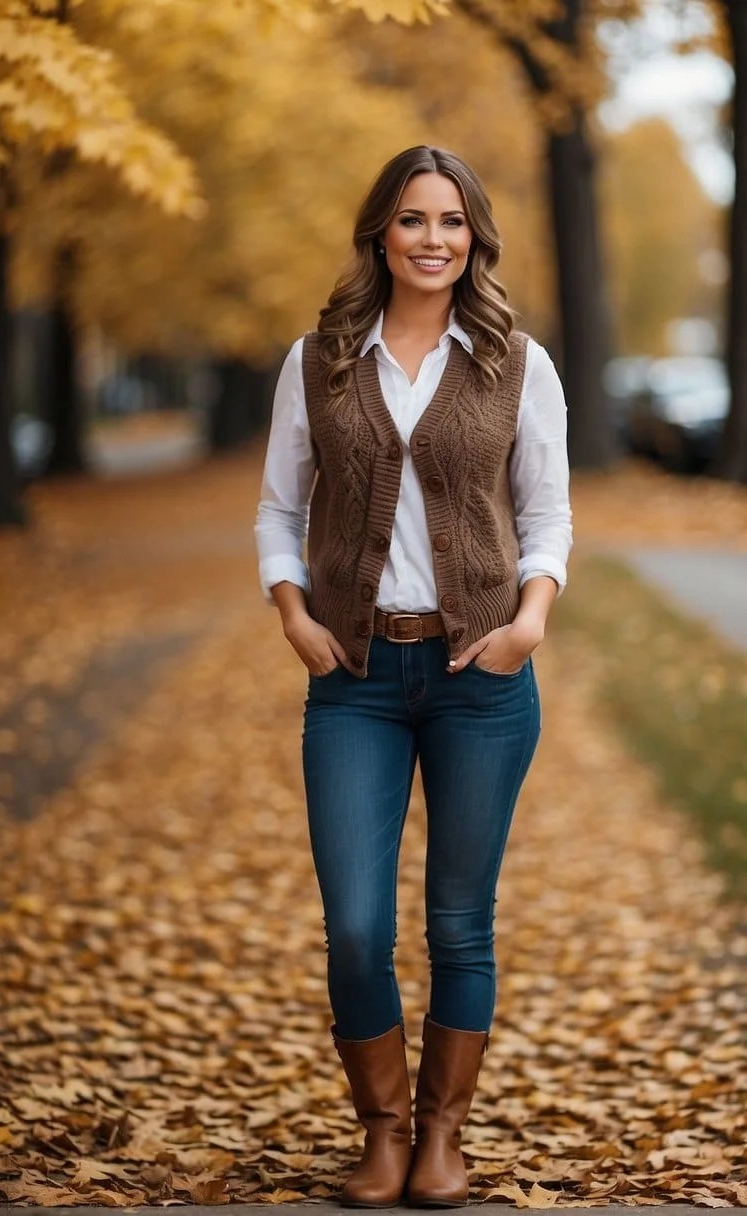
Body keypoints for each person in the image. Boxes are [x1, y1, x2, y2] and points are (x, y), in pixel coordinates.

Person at [254, 145, 572, 1209]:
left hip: (480, 674)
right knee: (353, 919)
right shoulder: (319, 360)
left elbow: (546, 513)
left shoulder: (514, 362)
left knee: (457, 919)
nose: (432, 239)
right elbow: (276, 506)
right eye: (410, 220)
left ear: (474, 236)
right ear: (378, 236)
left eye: (450, 221)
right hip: (352, 673)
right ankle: (380, 1131)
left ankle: (441, 1133)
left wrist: (526, 623)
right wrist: (291, 610)